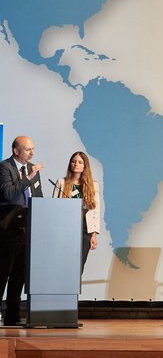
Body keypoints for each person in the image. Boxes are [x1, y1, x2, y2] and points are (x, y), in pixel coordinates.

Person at [0, 136, 44, 326]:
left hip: (27, 229)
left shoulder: (32, 169)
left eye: (33, 149)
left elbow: (38, 197)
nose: (32, 153)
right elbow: (8, 194)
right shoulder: (4, 167)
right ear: (16, 151)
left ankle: (12, 316)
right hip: (8, 230)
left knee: (20, 275)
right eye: (28, 149)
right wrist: (27, 178)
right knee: (3, 273)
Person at [53, 152, 101, 275]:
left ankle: (73, 292)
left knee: (79, 264)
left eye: (80, 162)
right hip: (66, 228)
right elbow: (53, 208)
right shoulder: (61, 183)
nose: (76, 164)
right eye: (73, 161)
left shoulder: (93, 185)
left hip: (85, 228)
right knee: (64, 262)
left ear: (85, 165)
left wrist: (94, 235)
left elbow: (95, 211)